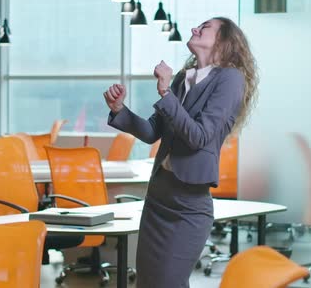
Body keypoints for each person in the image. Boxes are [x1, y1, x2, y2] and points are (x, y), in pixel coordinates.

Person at [103, 17, 258, 288]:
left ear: (224, 40)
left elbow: (199, 137)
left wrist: (165, 93)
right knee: (148, 283)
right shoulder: (181, 80)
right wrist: (119, 110)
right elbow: (152, 131)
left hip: (188, 205)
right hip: (158, 197)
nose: (195, 29)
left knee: (169, 282)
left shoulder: (229, 79)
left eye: (205, 27)